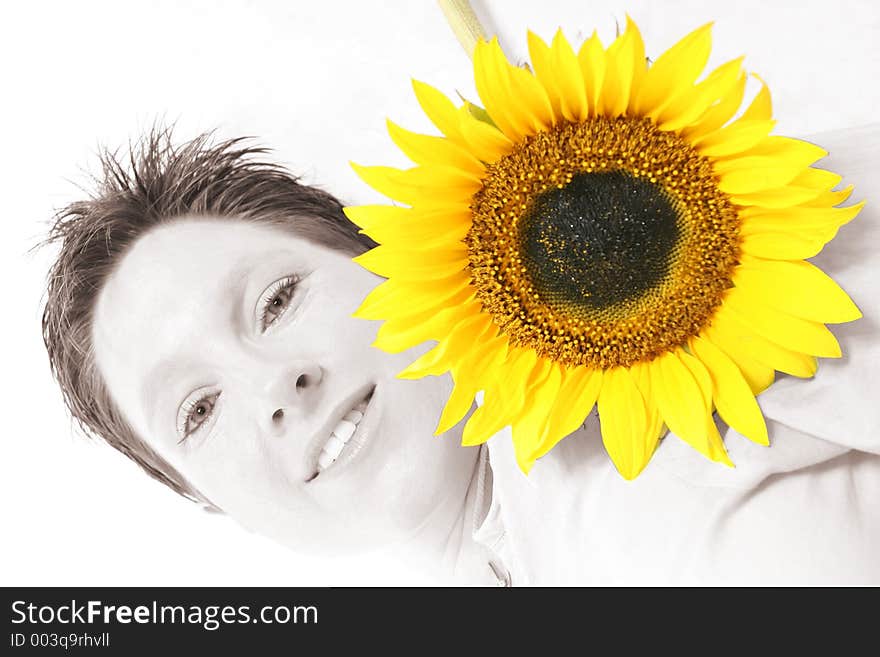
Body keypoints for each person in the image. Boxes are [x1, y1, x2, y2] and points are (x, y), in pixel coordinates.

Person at [41, 126, 880, 586]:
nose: (273, 386)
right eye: (197, 409)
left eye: (277, 299)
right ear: (205, 499)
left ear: (391, 263)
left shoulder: (682, 327)